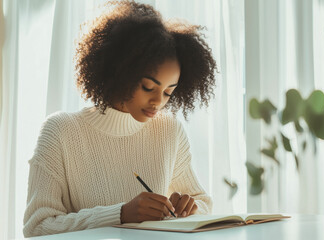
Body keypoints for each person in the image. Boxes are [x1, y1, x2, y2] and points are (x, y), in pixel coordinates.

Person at [23, 1, 216, 237]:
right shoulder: (60, 131)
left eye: (168, 92)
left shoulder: (169, 131)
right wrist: (121, 214)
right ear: (120, 72)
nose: (158, 102)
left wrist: (190, 208)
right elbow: (37, 227)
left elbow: (203, 203)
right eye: (148, 87)